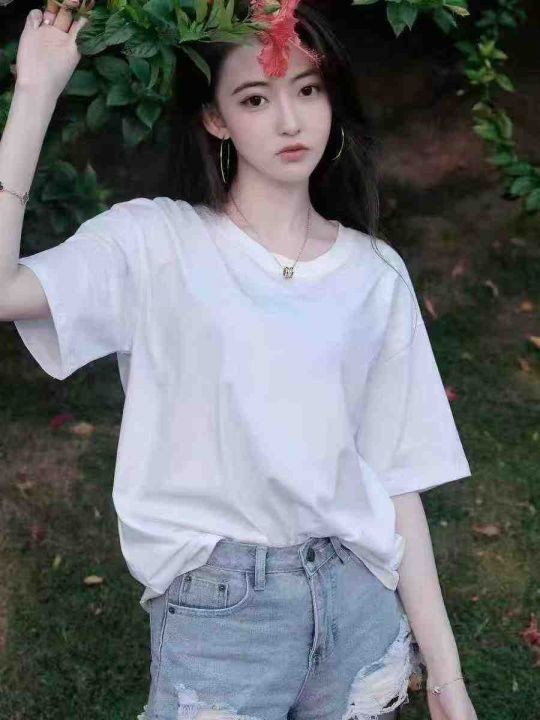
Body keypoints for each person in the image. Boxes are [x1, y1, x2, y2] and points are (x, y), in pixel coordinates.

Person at [0, 1, 478, 719]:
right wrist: (36, 91)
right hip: (221, 615)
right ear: (215, 118)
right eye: (255, 98)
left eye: (308, 89)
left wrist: (445, 672)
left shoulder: (375, 272)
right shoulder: (155, 243)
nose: (289, 120)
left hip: (358, 604)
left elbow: (395, 478)